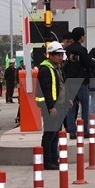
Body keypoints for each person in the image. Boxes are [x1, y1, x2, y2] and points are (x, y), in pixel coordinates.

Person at [35, 41, 68, 170]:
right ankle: (47, 161)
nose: (61, 57)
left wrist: (67, 100)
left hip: (58, 106)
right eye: (58, 55)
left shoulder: (57, 68)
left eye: (61, 55)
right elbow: (46, 90)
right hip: (51, 107)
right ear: (51, 55)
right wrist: (50, 106)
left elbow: (61, 86)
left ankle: (54, 159)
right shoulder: (45, 69)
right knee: (49, 134)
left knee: (56, 134)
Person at [64, 27, 95, 139]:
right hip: (82, 81)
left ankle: (72, 131)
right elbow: (88, 64)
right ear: (81, 36)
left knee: (71, 107)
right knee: (85, 106)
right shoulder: (82, 50)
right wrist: (92, 62)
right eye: (84, 35)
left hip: (70, 82)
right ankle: (85, 131)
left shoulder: (67, 50)